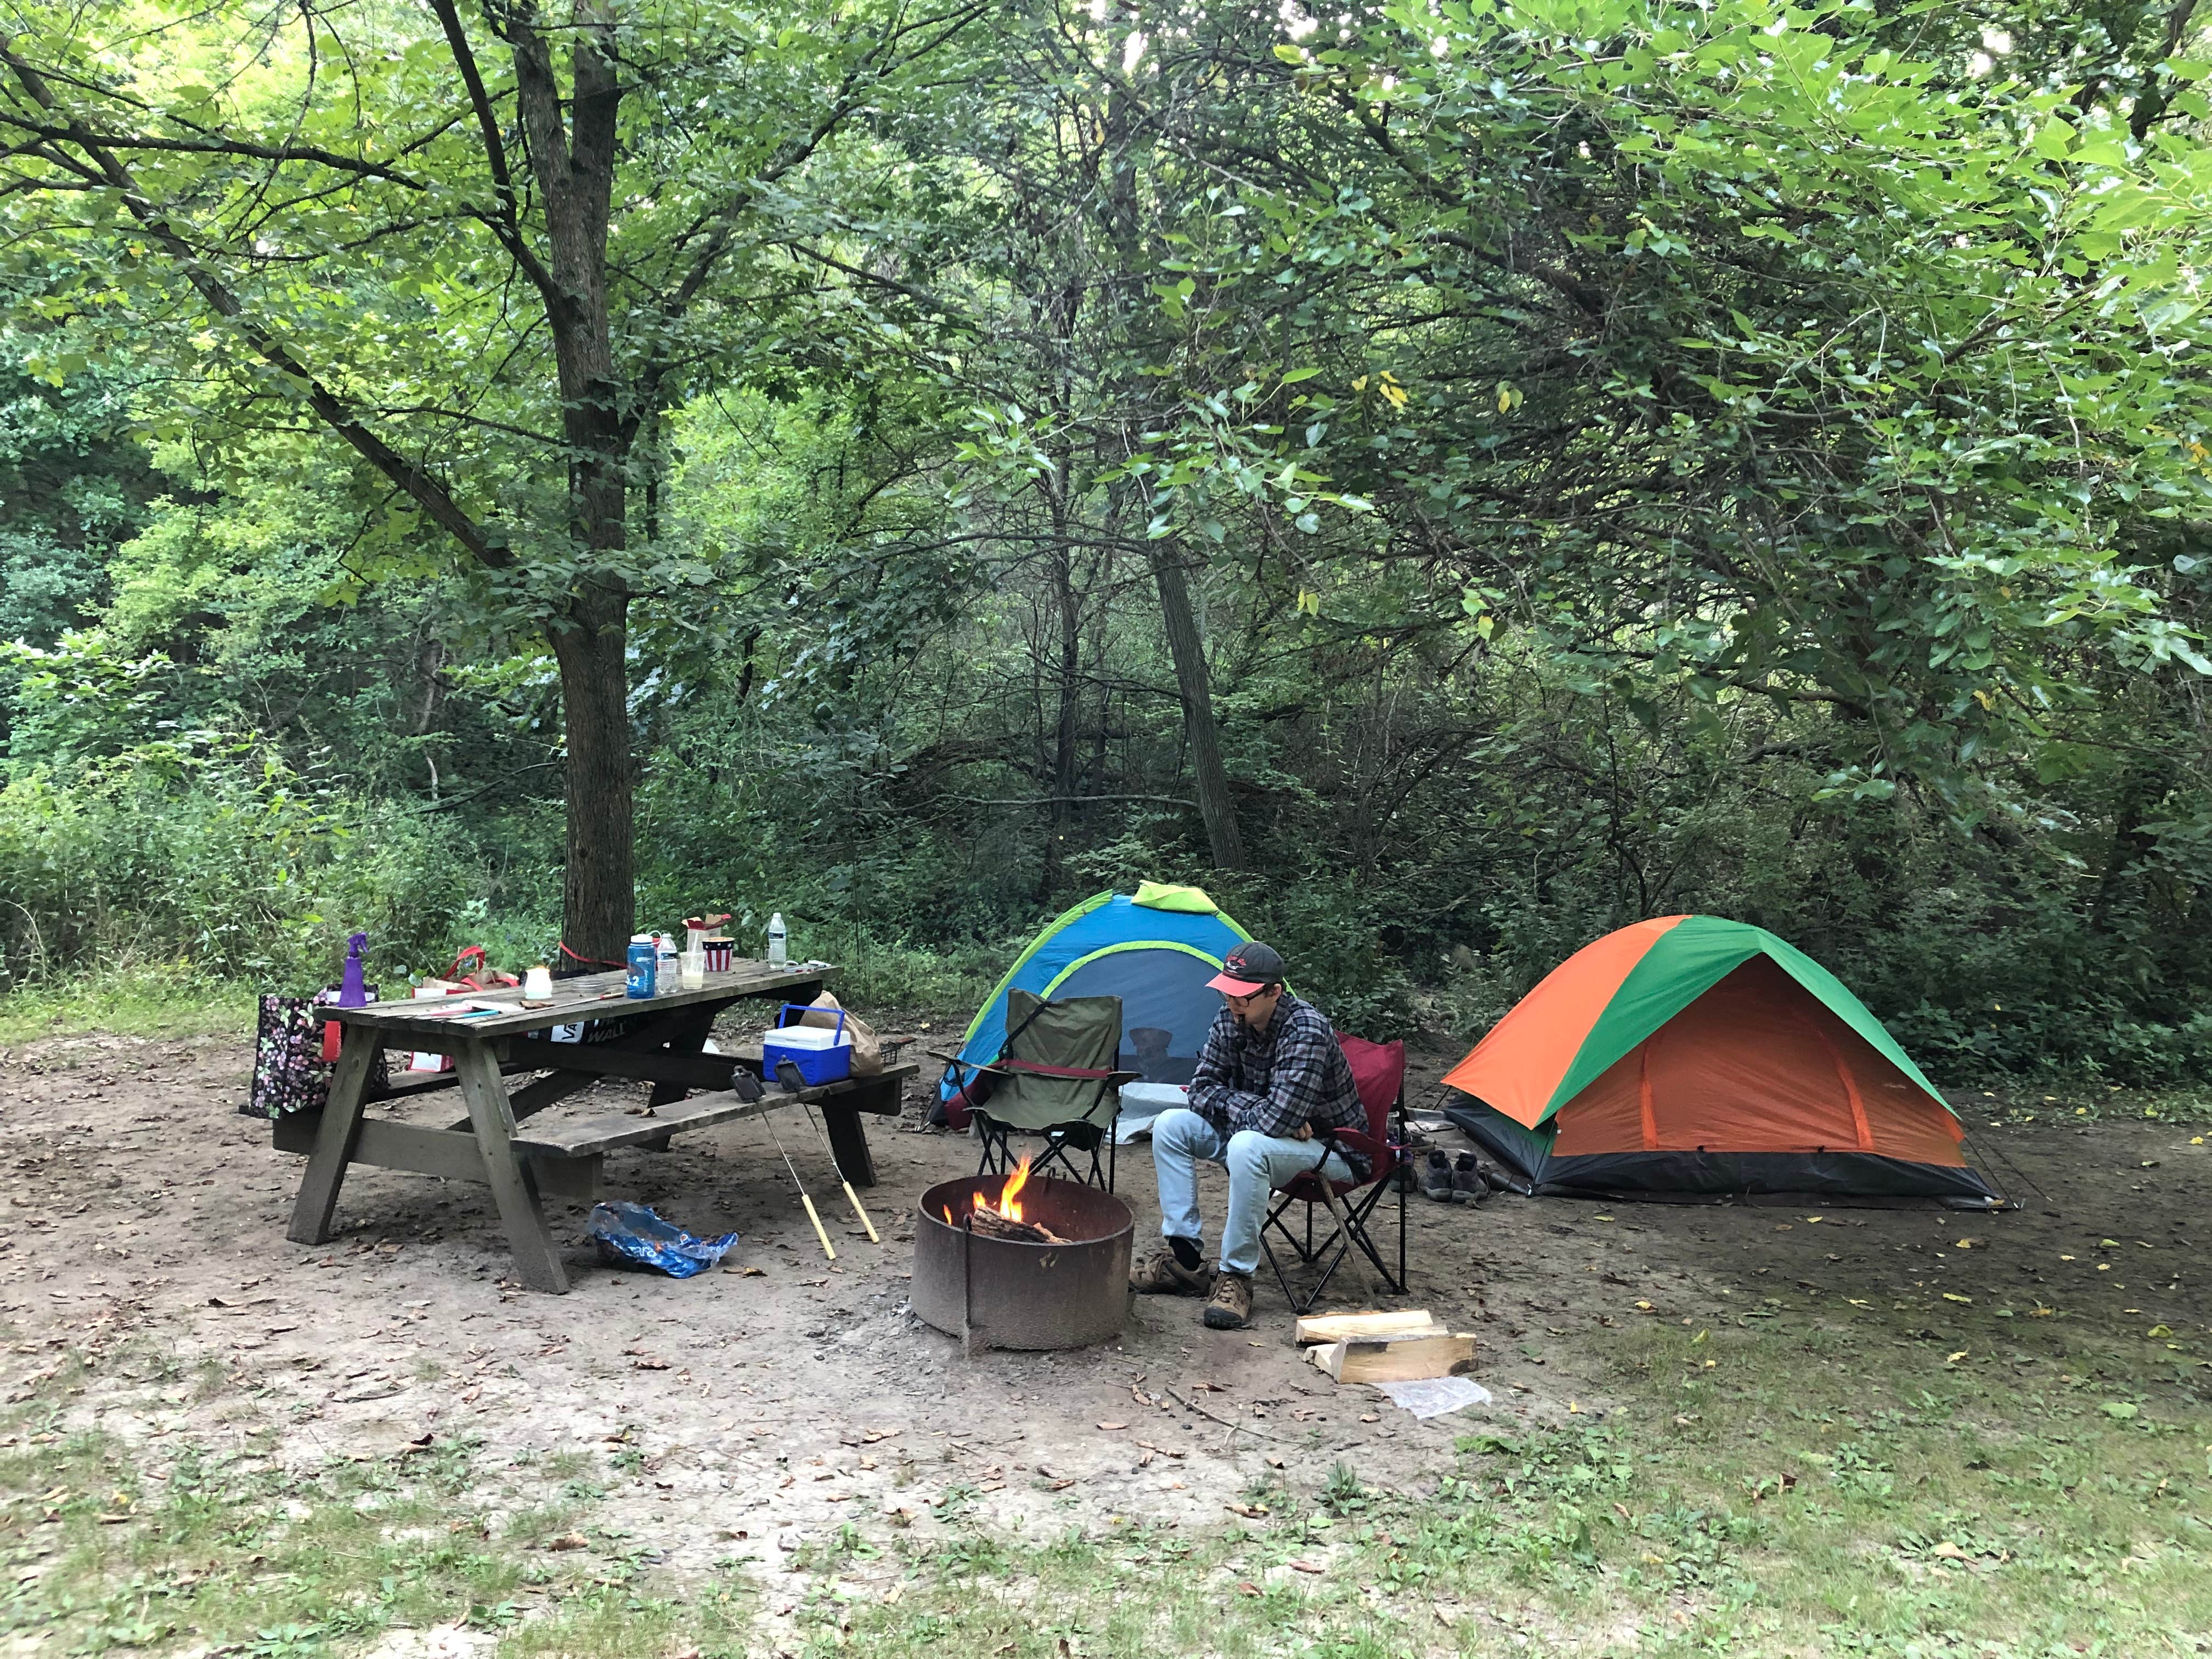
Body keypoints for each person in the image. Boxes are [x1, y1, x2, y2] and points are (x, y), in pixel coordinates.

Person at [1128, 940, 1368, 1329]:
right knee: (1171, 1125)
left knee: (1247, 1144)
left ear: (1275, 992)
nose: (1232, 1004)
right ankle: (1185, 1262)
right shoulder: (1229, 1020)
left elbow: (1273, 1122)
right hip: (1263, 1138)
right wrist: (1260, 1109)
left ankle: (1236, 1277)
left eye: (1243, 997)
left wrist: (1265, 1114)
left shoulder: (1305, 1028)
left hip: (1330, 1151)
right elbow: (1201, 1091)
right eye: (1227, 993)